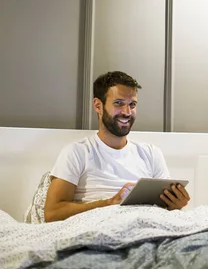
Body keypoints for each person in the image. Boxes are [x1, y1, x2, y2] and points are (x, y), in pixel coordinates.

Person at [44, 71, 190, 222]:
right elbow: (52, 213)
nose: (127, 112)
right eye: (118, 103)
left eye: (132, 105)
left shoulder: (151, 153)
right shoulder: (77, 152)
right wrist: (109, 203)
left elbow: (165, 208)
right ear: (98, 106)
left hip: (148, 229)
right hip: (99, 230)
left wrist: (175, 205)